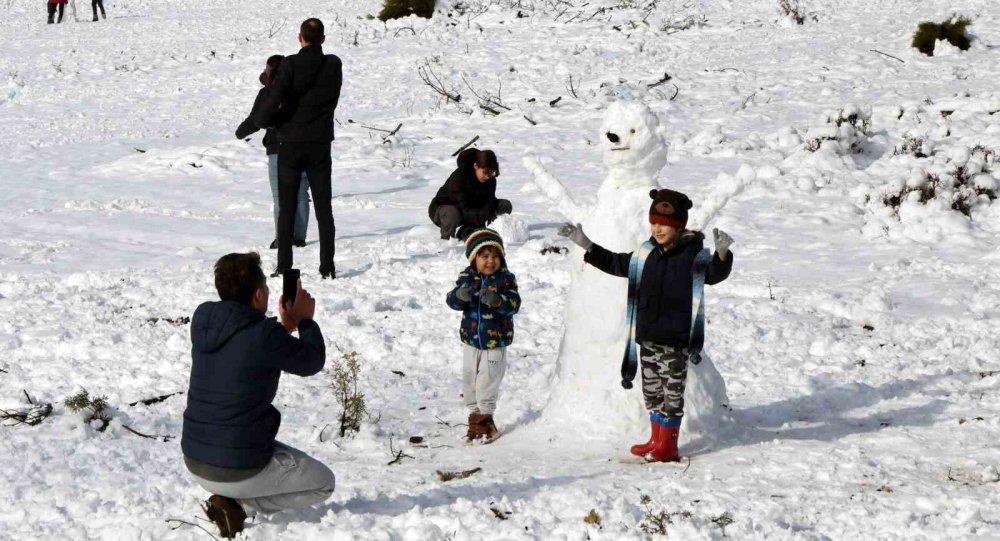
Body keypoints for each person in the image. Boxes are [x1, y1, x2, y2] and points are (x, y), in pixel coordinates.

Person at [558, 189, 734, 462]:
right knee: (652, 392)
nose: (657, 228)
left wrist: (722, 255)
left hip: (675, 340)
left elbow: (712, 274)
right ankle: (656, 438)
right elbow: (617, 263)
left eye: (664, 224)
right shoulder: (645, 254)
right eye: (654, 223)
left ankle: (669, 446)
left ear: (678, 226)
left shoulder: (692, 257)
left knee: (671, 393)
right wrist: (586, 245)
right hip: (648, 336)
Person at [181, 252, 334, 538]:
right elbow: (312, 361)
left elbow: (246, 344)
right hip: (237, 466)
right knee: (323, 483)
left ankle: (230, 499)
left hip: (195, 458)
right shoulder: (263, 335)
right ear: (258, 294)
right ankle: (240, 506)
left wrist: (283, 327)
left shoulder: (203, 319)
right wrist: (305, 322)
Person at [254, 18, 342, 279]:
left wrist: (266, 121)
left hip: (290, 144)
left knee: (287, 207)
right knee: (324, 209)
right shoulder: (334, 64)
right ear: (323, 38)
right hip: (319, 145)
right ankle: (327, 266)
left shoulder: (290, 63)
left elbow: (274, 98)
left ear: (300, 37)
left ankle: (284, 266)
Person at [446, 229, 521, 443]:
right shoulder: (467, 278)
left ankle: (486, 420)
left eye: (495, 256)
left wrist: (498, 301)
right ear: (474, 258)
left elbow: (514, 304)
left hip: (495, 341)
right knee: (469, 382)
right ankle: (475, 418)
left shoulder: (505, 280)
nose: (490, 261)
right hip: (471, 340)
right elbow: (451, 301)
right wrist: (459, 296)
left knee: (487, 382)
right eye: (484, 256)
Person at [236, 54, 311, 250]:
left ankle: (283, 238)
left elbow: (255, 119)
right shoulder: (302, 90)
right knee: (301, 193)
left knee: (281, 196)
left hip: (278, 148)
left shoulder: (268, 93)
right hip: (303, 145)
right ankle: (300, 237)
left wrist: (240, 133)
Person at [429, 148, 512, 240]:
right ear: (475, 166)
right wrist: (483, 216)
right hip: (446, 209)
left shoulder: (491, 180)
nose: (488, 176)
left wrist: (487, 213)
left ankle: (493, 231)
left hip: (473, 210)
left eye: (491, 173)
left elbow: (490, 201)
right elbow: (462, 206)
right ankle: (448, 241)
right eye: (485, 172)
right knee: (452, 213)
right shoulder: (459, 176)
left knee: (505, 205)